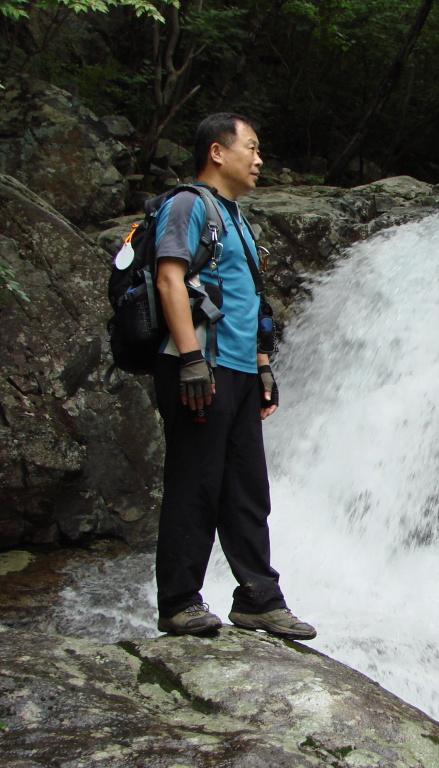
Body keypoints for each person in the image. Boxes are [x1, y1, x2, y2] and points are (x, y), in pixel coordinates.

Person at [151, 112, 315, 640]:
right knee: (194, 484)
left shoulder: (237, 217)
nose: (259, 158)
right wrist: (191, 356)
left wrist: (264, 366)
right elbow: (169, 278)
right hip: (202, 367)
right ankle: (178, 602)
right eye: (252, 146)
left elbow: (250, 301)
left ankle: (257, 599)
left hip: (240, 372)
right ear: (218, 152)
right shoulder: (187, 205)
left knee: (247, 489)